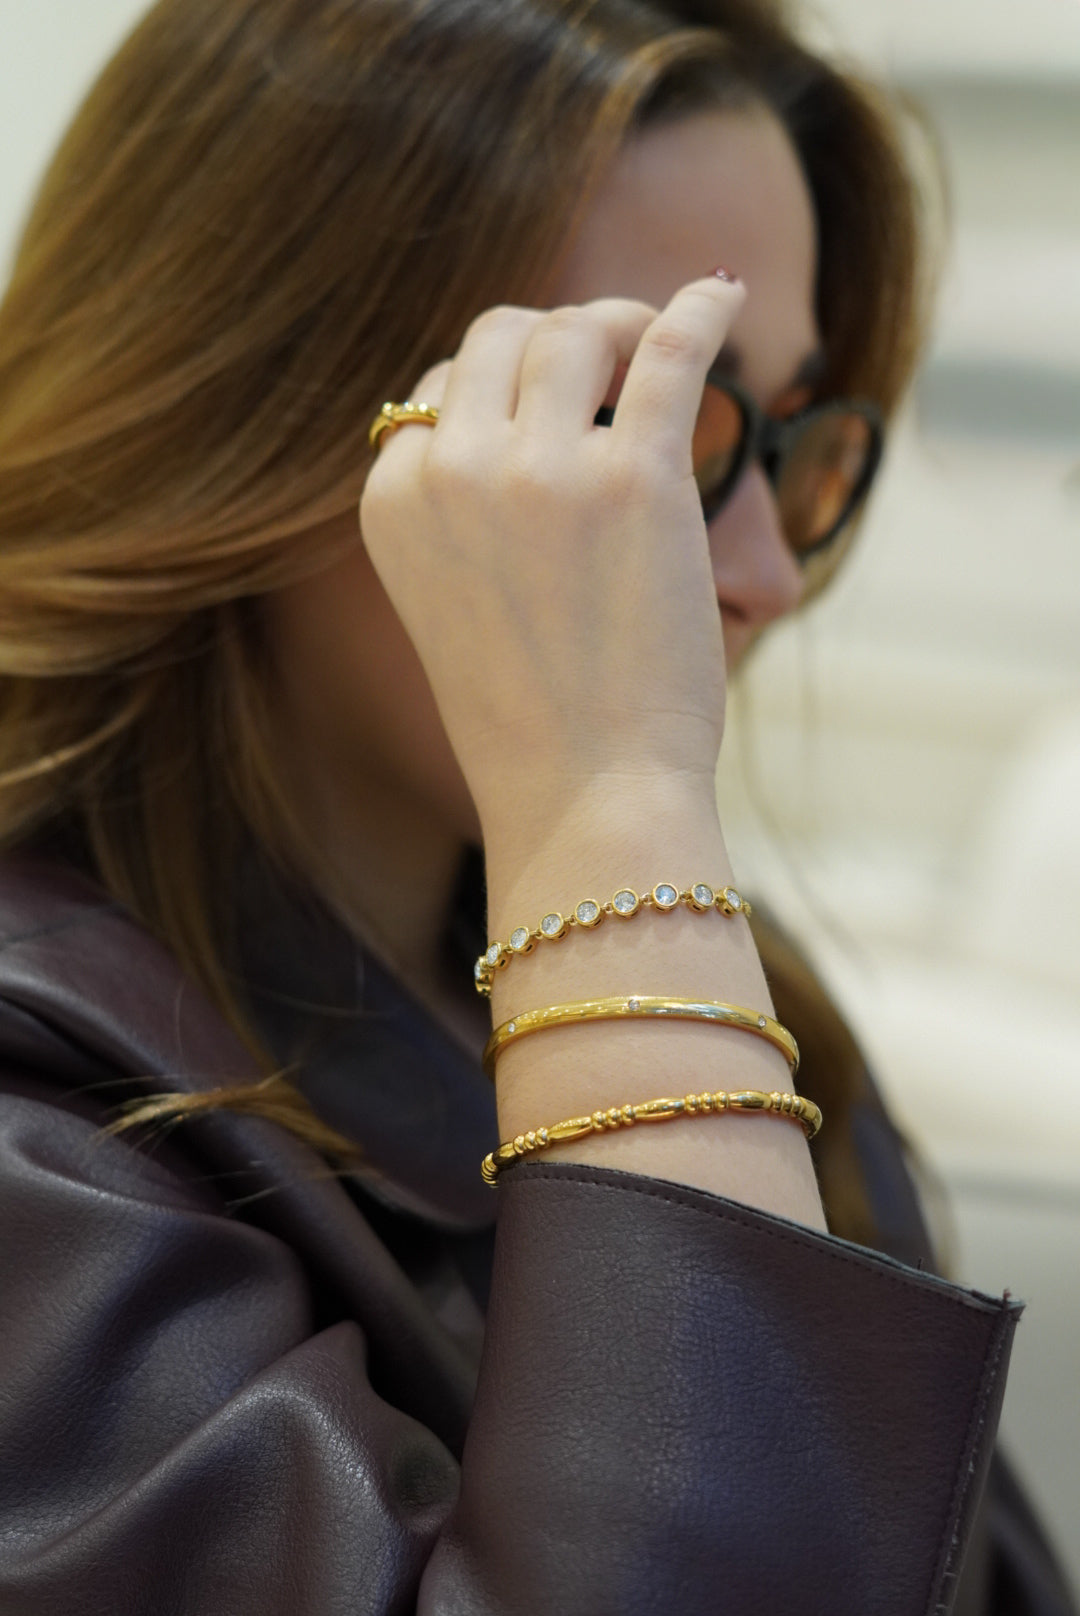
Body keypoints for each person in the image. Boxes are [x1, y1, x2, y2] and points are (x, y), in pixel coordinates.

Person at [0, 0, 1073, 1611]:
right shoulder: (37, 1117)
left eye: (789, 440)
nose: (769, 572)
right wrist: (615, 796)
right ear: (240, 416)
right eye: (624, 425)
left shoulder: (719, 989)